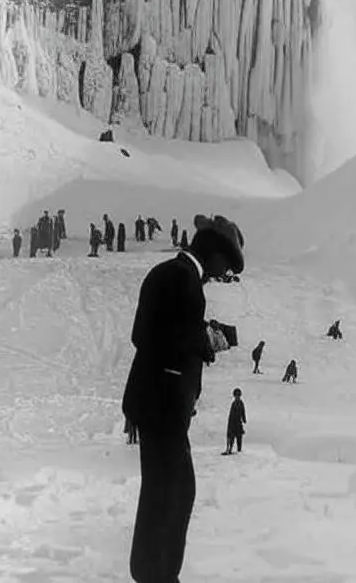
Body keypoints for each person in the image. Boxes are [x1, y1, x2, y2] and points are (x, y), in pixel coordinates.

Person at [122, 213, 245, 583]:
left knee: (171, 492)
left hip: (162, 406)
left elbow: (162, 331)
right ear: (213, 252)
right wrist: (204, 341)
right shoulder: (180, 278)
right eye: (225, 264)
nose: (223, 273)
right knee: (169, 494)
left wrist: (201, 337)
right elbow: (150, 336)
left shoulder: (179, 276)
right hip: (162, 406)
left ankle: (155, 573)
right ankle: (154, 575)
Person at [223, 388, 247, 455]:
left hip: (238, 422)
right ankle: (229, 449)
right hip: (232, 423)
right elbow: (231, 414)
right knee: (232, 437)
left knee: (239, 437)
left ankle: (239, 449)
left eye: (238, 395)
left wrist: (244, 419)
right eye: (236, 396)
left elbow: (243, 411)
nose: (237, 397)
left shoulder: (241, 403)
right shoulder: (233, 403)